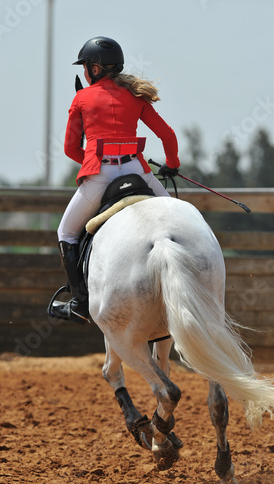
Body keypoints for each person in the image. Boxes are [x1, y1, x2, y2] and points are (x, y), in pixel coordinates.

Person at [51, 36, 180, 324]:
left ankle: (80, 303)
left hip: (102, 175)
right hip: (138, 170)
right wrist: (171, 164)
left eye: (86, 65)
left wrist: (93, 159)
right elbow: (167, 135)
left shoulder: (81, 98)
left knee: (66, 233)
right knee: (177, 225)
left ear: (94, 69)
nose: (85, 70)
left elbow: (70, 149)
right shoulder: (135, 95)